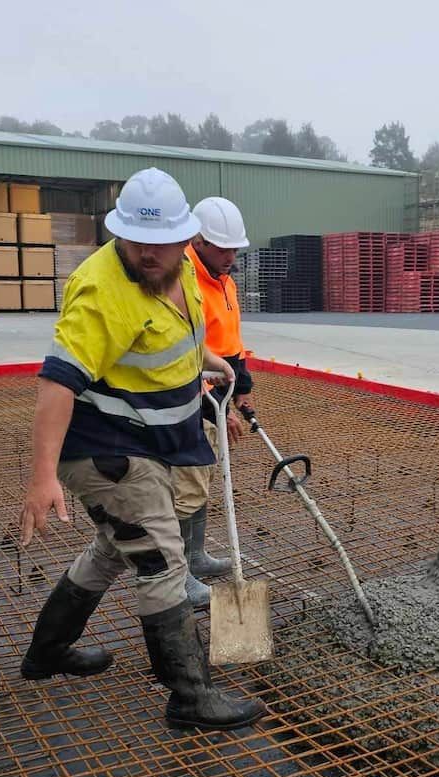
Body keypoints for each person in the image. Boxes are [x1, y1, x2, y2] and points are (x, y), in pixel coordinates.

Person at [17, 167, 265, 731]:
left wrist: (209, 361)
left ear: (186, 238)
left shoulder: (184, 271)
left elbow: (171, 331)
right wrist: (42, 476)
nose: (148, 254)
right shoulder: (101, 292)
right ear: (119, 233)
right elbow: (57, 383)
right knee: (162, 560)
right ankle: (190, 695)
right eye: (136, 242)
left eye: (161, 243)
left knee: (113, 550)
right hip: (107, 449)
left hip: (150, 443)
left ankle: (47, 652)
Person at [172, 197, 253, 607]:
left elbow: (230, 341)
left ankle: (197, 556)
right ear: (199, 241)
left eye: (234, 249)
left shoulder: (224, 279)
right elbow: (184, 356)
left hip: (217, 391)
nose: (231, 257)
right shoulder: (182, 281)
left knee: (203, 478)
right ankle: (179, 577)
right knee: (186, 488)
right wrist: (210, 407)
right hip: (189, 398)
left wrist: (241, 388)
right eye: (223, 249)